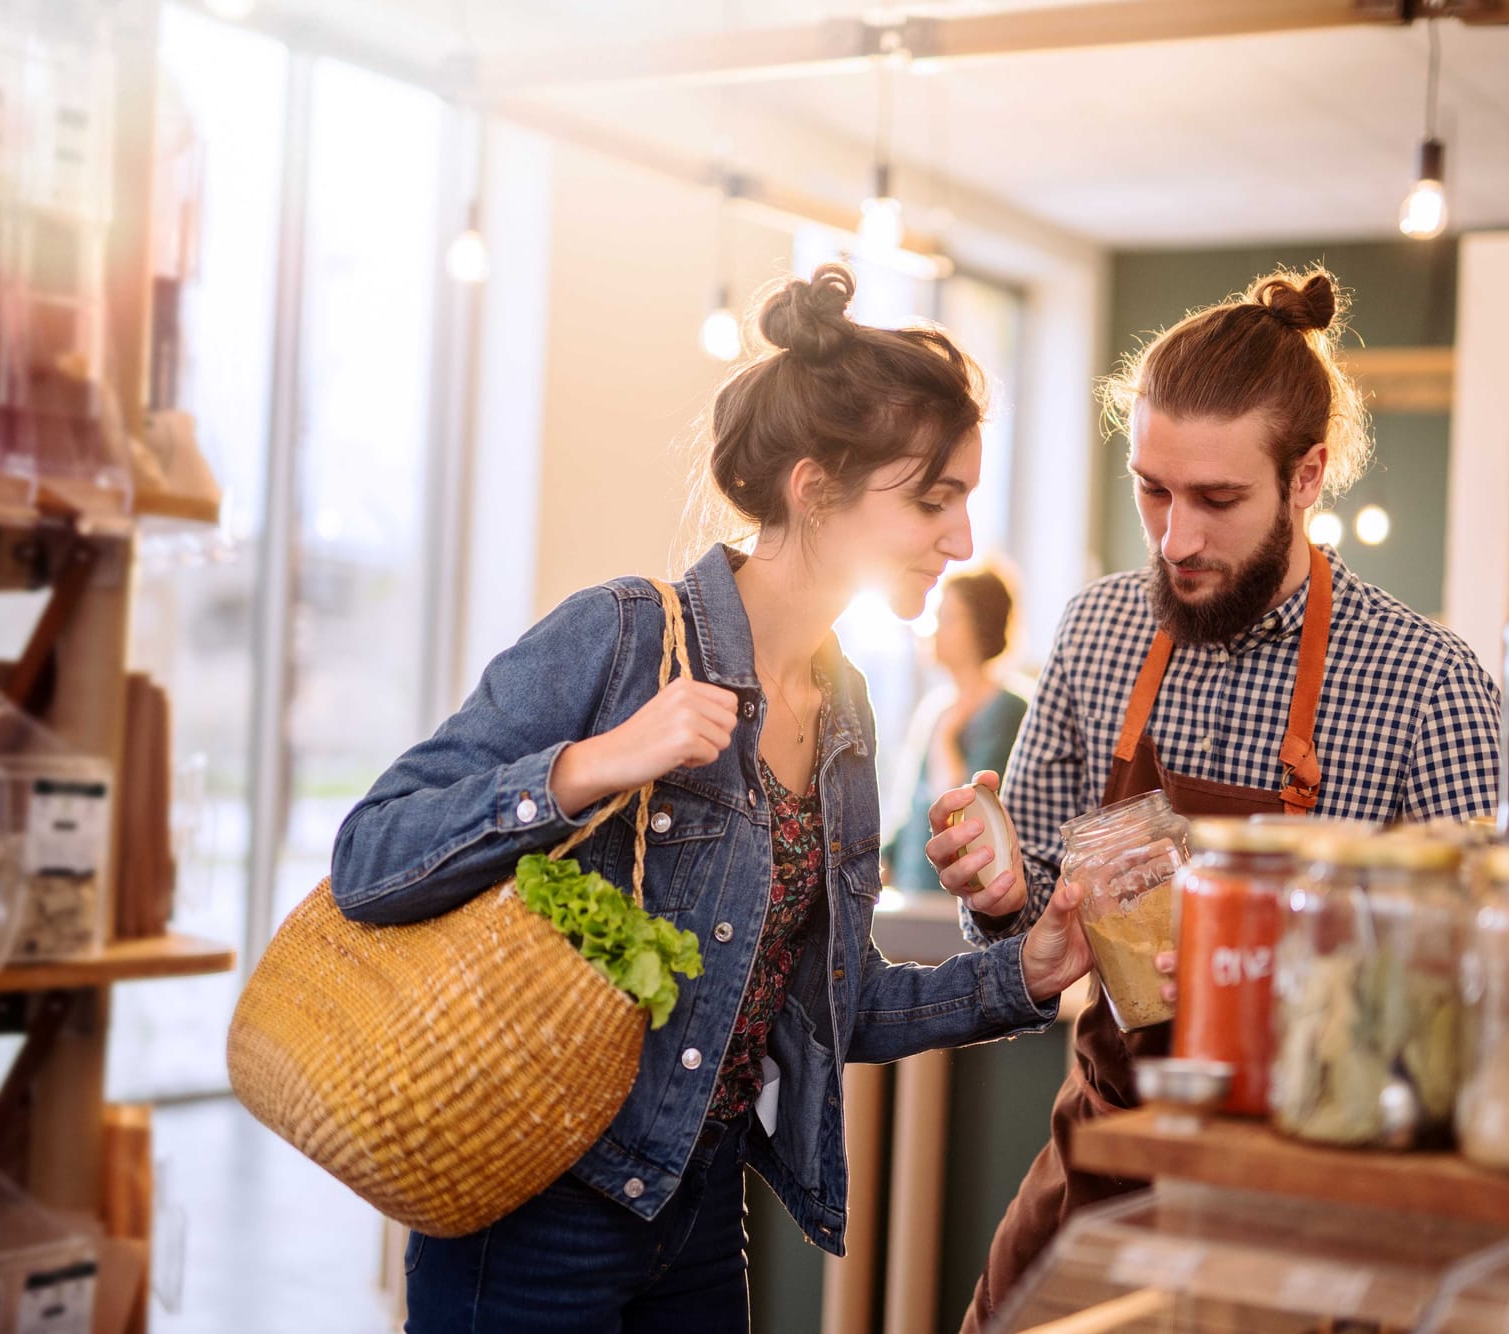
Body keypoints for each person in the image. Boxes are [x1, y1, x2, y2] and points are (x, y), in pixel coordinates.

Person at [329, 263, 1097, 1333]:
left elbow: (841, 1005)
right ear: (813, 487)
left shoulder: (846, 712)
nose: (962, 537)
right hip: (532, 1219)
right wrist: (588, 765)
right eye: (934, 497)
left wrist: (1024, 970)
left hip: (695, 1216)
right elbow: (369, 855)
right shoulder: (620, 636)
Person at [923, 269, 1504, 1333]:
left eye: (1217, 499)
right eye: (1152, 488)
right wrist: (1005, 891)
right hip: (1111, 1158)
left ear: (1306, 475)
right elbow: (1039, 910)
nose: (1174, 538)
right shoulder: (1100, 632)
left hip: (1315, 1198)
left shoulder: (1426, 681)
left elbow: (1481, 983)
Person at [884, 567, 1031, 890]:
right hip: (914, 896)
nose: (933, 630)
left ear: (980, 627)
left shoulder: (1008, 711)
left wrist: (946, 738)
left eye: (948, 618)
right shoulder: (936, 709)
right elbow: (913, 813)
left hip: (958, 901)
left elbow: (960, 812)